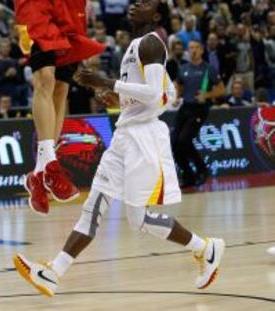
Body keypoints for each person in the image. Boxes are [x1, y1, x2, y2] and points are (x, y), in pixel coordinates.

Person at [13, 0, 225, 297]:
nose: (136, 3)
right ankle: (53, 272)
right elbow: (155, 93)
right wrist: (114, 97)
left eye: (146, 2)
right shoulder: (134, 46)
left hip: (145, 139)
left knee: (139, 219)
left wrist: (108, 82)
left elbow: (153, 96)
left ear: (157, 14)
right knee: (92, 210)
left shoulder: (152, 44)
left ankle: (205, 248)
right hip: (124, 136)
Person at [15, 0, 105, 214]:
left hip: (70, 7)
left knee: (61, 89)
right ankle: (50, 164)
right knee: (45, 79)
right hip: (35, 5)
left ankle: (39, 173)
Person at [174, 40, 225, 187]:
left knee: (184, 140)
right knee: (174, 142)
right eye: (190, 48)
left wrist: (207, 95)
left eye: (196, 47)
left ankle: (202, 170)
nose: (193, 50)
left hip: (199, 109)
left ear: (202, 50)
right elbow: (178, 84)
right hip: (185, 107)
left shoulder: (208, 69)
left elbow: (221, 89)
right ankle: (188, 175)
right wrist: (176, 96)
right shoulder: (183, 68)